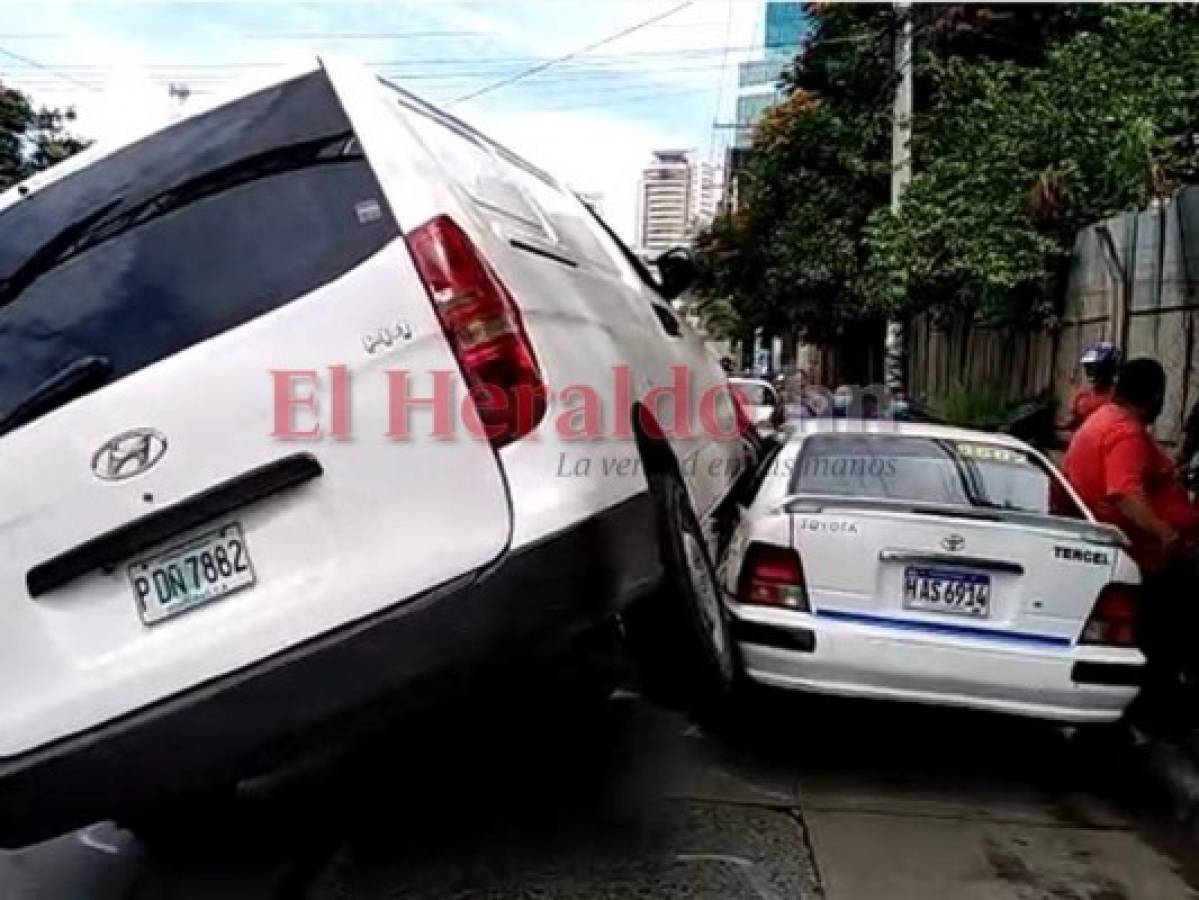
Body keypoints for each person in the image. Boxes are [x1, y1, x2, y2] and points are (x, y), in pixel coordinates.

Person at [1064, 358, 1199, 731]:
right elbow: (1124, 493)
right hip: (1145, 557)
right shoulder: (1126, 433)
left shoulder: (1102, 419)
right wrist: (1166, 533)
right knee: (1167, 636)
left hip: (1130, 552)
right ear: (1156, 396)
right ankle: (1160, 713)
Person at [1061, 342, 1121, 434]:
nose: (1091, 373)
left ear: (1109, 368)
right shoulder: (1082, 395)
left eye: (1095, 368)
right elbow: (1071, 422)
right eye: (1088, 368)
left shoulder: (1120, 396)